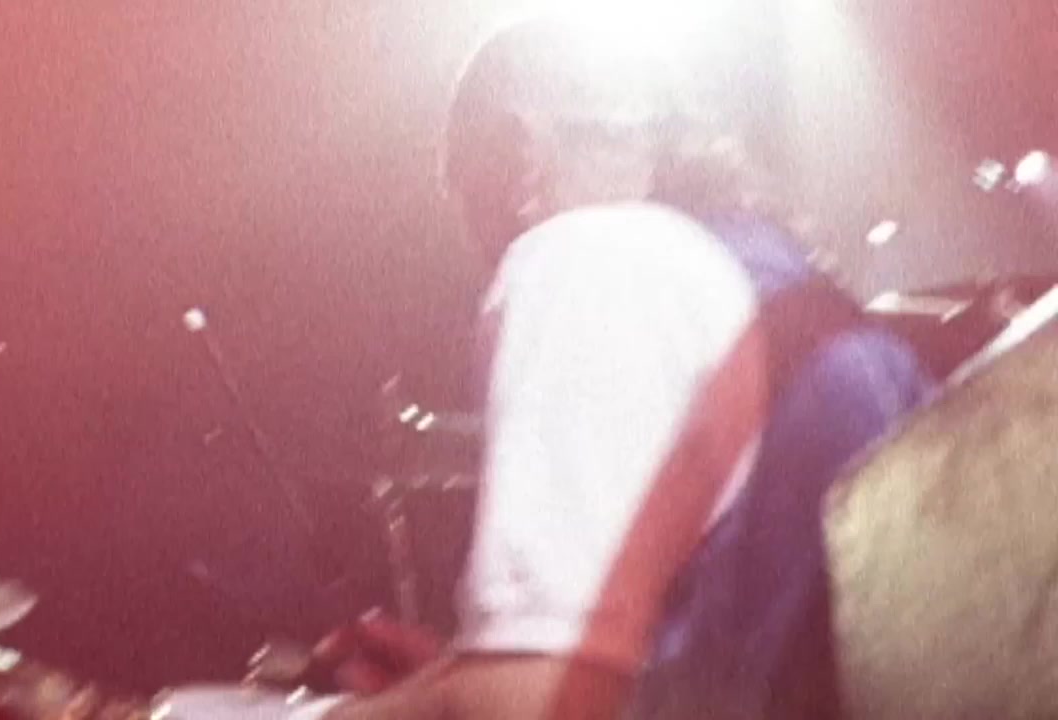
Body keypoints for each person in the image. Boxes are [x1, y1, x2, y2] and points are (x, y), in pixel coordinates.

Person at [306, 14, 928, 720]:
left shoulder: (586, 258)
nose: (485, 263)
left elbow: (531, 708)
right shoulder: (769, 278)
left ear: (519, 157)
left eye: (472, 208)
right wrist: (456, 670)